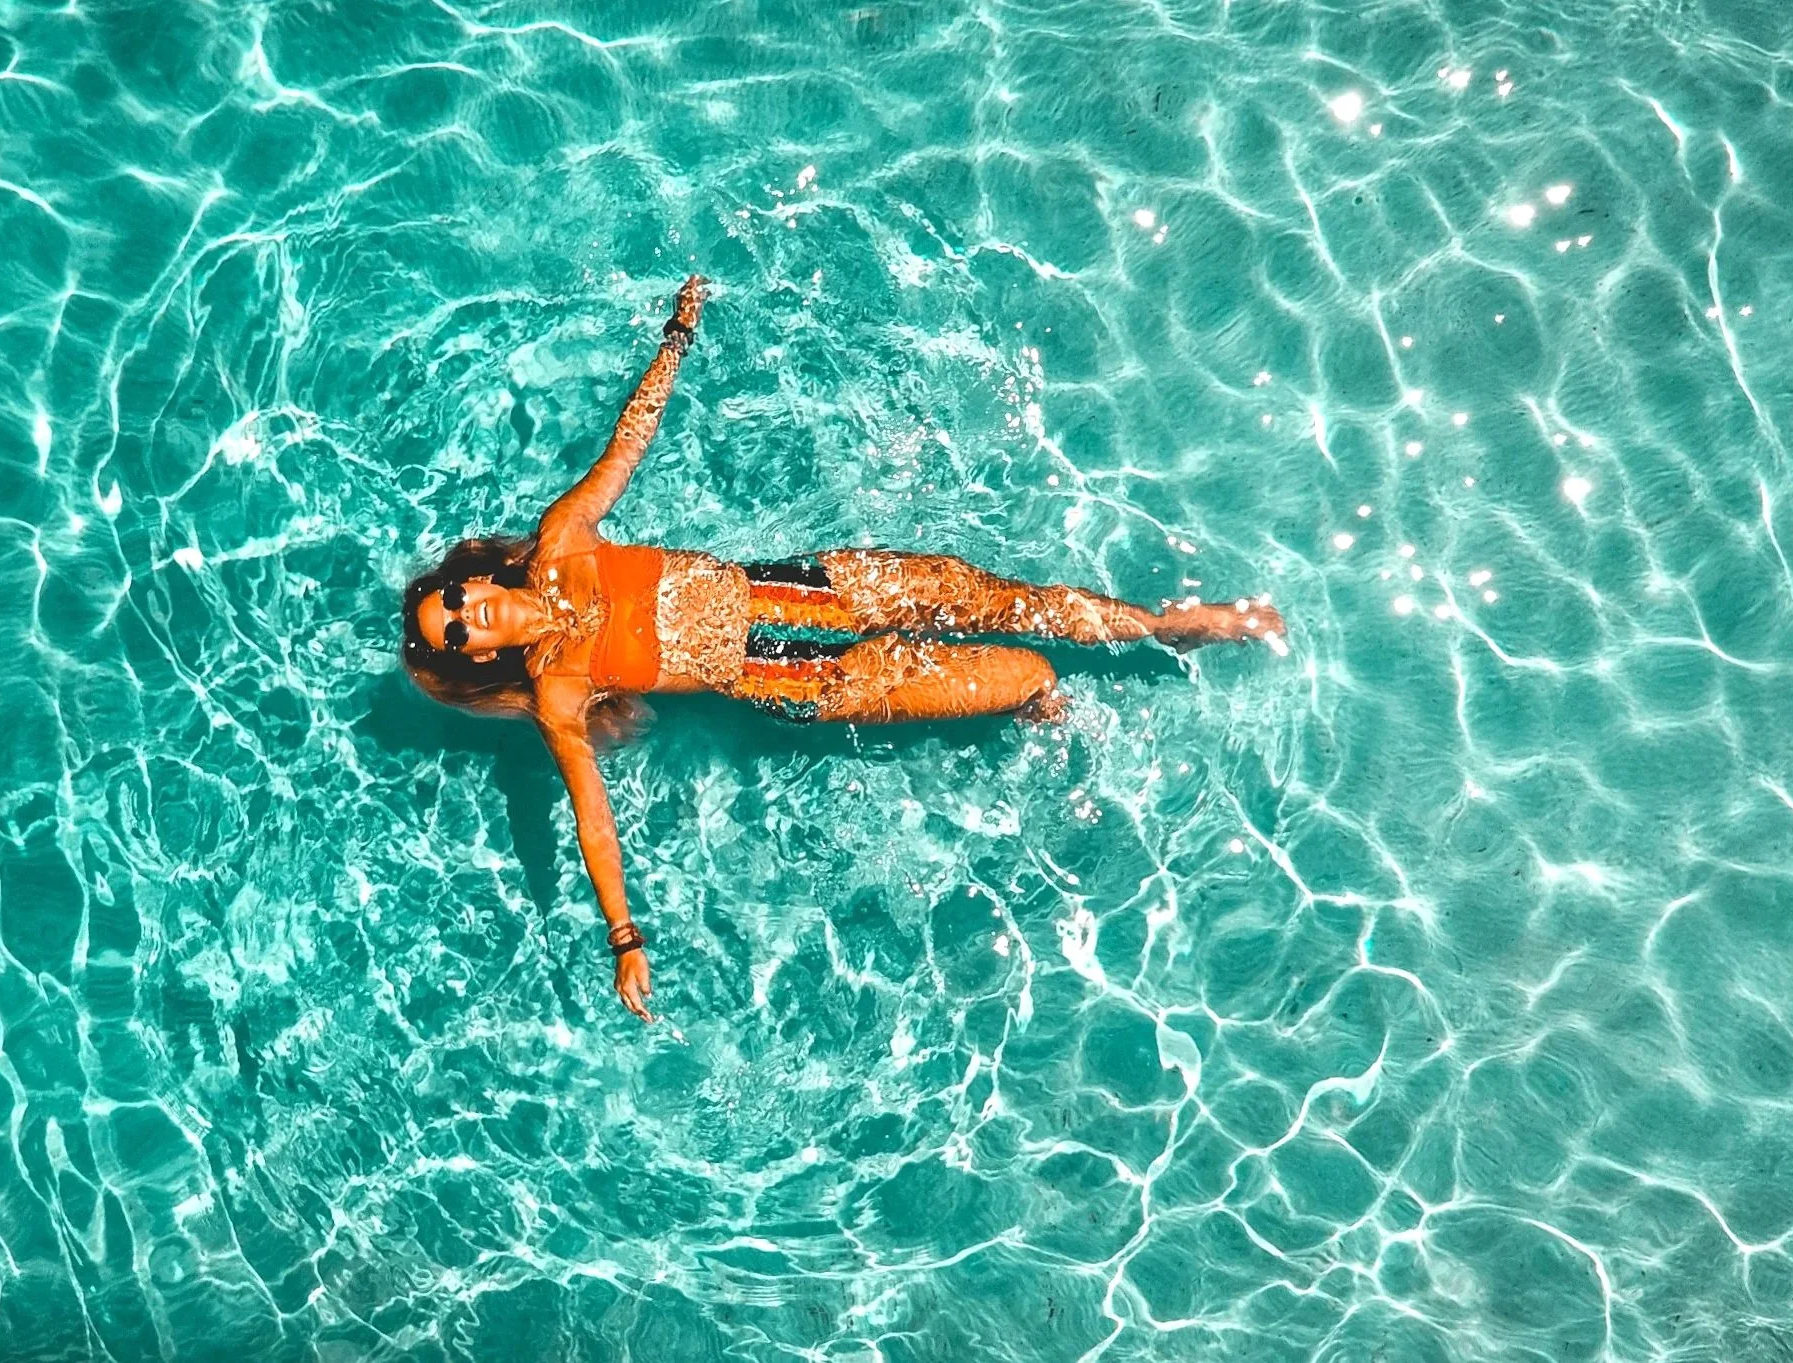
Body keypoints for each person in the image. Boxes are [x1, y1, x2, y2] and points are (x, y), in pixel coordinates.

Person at [402, 277, 1284, 1022]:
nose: (469, 614)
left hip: (817, 587)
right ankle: (1038, 704)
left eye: (456, 599)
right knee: (1029, 673)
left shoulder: (562, 538)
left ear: (473, 579)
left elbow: (626, 447)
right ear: (475, 658)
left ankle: (1162, 626)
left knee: (1005, 601)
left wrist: (675, 338)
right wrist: (623, 936)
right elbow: (591, 817)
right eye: (458, 633)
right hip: (808, 678)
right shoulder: (559, 690)